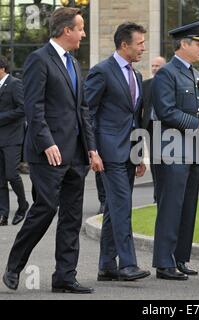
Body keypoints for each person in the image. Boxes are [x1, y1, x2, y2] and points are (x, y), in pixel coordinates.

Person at [2, 7, 103, 293]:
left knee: (72, 215)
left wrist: (92, 149)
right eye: (80, 28)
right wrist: (47, 142)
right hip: (48, 153)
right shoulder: (38, 60)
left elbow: (82, 109)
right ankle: (14, 266)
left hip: (76, 154)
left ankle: (64, 276)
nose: (83, 33)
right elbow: (34, 108)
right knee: (45, 208)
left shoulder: (74, 64)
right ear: (66, 30)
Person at [84, 22, 150, 282]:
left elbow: (135, 118)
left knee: (114, 209)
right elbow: (87, 113)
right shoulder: (101, 71)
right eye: (140, 43)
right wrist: (93, 150)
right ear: (124, 45)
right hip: (108, 152)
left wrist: (139, 154)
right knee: (122, 206)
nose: (143, 48)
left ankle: (107, 265)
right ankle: (128, 264)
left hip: (129, 152)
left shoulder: (137, 75)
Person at [151, 20, 199, 280]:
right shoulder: (167, 73)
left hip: (193, 149)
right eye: (198, 44)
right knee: (171, 206)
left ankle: (180, 258)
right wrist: (197, 123)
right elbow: (165, 112)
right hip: (172, 149)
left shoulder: (196, 74)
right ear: (184, 44)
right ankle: (164, 263)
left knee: (188, 206)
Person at [0, 56, 29, 226]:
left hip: (12, 138)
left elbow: (22, 109)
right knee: (0, 179)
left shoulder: (15, 84)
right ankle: (3, 214)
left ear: (2, 68)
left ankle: (23, 204)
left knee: (11, 174)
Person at [142, 56, 166, 203]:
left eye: (158, 66)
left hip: (168, 129)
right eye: (153, 66)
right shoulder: (145, 84)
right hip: (151, 128)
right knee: (155, 163)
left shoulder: (170, 84)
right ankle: (157, 196)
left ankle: (166, 195)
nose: (155, 68)